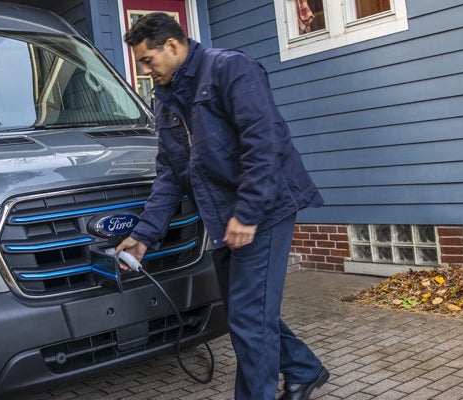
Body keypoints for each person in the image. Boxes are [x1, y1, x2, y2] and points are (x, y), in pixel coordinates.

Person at [115, 12, 329, 400]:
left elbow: (265, 142)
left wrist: (247, 213)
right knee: (247, 312)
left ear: (173, 45)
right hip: (223, 218)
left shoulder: (230, 69)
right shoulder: (166, 103)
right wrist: (143, 236)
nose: (145, 70)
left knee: (250, 318)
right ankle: (303, 368)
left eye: (148, 60)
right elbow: (169, 175)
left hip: (265, 207)